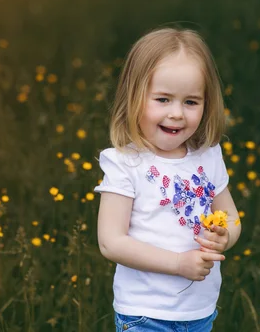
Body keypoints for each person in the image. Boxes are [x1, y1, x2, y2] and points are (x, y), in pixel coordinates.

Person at [95, 27, 241, 331]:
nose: (177, 113)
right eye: (163, 99)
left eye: (191, 102)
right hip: (145, 313)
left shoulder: (207, 156)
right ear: (134, 98)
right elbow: (111, 242)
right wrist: (177, 264)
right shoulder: (125, 163)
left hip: (199, 311)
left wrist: (225, 236)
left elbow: (231, 217)